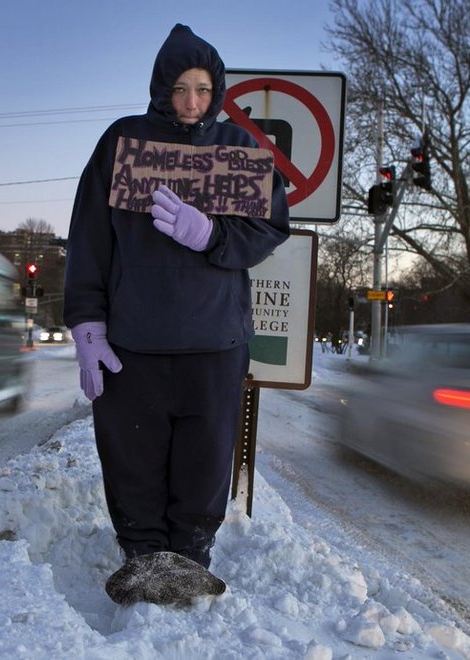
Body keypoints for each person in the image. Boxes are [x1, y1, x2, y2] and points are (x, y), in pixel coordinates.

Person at [63, 24, 290, 603]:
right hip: (132, 343)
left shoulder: (238, 149)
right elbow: (90, 239)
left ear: (217, 91)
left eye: (203, 88)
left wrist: (211, 232)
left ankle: (190, 555)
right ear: (162, 88)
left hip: (215, 343)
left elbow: (269, 228)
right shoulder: (122, 143)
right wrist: (87, 323)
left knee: (204, 458)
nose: (192, 101)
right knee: (132, 456)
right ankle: (141, 553)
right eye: (182, 88)